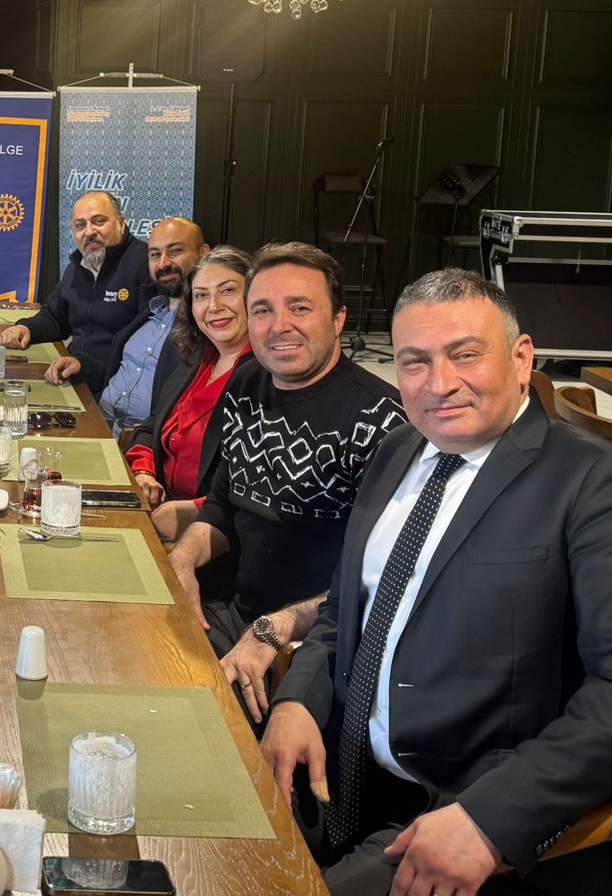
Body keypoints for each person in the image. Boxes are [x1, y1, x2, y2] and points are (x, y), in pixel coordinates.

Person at [222, 268, 612, 896]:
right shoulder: (400, 451)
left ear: (522, 358)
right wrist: (302, 697)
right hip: (357, 779)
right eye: (415, 362)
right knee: (215, 870)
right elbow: (347, 612)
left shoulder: (598, 484)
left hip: (487, 818)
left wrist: (487, 818)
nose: (439, 383)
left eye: (465, 355)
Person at [157, 242, 403, 714]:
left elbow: (377, 580)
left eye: (300, 308)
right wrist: (183, 559)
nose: (279, 325)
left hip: (314, 647)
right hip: (235, 615)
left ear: (339, 319)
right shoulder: (246, 384)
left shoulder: (381, 422)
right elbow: (224, 506)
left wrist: (274, 629)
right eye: (263, 310)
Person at [49, 217, 207, 432]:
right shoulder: (150, 313)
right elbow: (116, 372)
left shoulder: (204, 324)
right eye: (155, 255)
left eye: (175, 251)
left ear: (204, 253)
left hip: (138, 442)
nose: (163, 263)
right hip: (95, 420)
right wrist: (82, 366)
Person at [125, 246, 251, 512]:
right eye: (201, 295)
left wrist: (188, 512)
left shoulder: (268, 376)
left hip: (211, 525)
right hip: (159, 507)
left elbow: (256, 489)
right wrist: (144, 473)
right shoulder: (195, 360)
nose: (214, 306)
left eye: (227, 290)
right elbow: (150, 428)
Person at [0, 190, 152, 394]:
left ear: (121, 223)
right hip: (75, 376)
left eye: (99, 221)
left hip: (117, 389)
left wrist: (85, 365)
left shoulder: (146, 264)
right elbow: (55, 318)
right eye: (80, 225)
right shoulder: (78, 266)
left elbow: (146, 348)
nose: (89, 231)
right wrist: (26, 328)